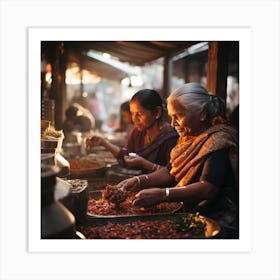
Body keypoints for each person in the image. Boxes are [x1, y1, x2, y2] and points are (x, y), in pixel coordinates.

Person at [115, 83, 239, 238]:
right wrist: (139, 180)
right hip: (190, 213)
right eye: (171, 117)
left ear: (202, 113)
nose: (173, 124)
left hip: (216, 221)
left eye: (178, 116)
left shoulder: (219, 140)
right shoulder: (188, 137)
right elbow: (169, 171)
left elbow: (208, 188)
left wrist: (163, 194)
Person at [85, 89, 179, 173]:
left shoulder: (171, 138)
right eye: (132, 114)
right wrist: (103, 143)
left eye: (139, 114)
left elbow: (173, 174)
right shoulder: (138, 131)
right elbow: (126, 155)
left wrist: (146, 164)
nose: (134, 119)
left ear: (157, 112)